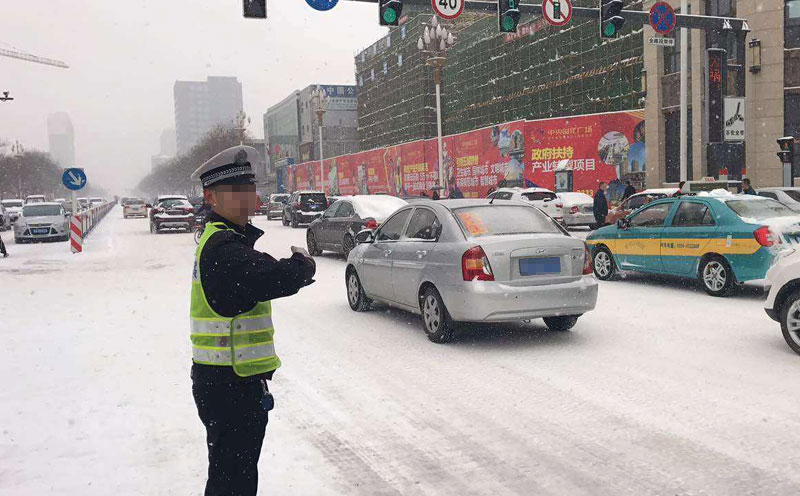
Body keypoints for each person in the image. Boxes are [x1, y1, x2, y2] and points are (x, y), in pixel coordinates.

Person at [189, 145, 316, 496]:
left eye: (249, 188)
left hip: (231, 381)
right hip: (228, 384)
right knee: (233, 480)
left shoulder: (226, 239)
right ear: (211, 198)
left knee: (234, 474)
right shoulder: (223, 248)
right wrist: (301, 268)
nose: (246, 197)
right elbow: (267, 277)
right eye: (235, 191)